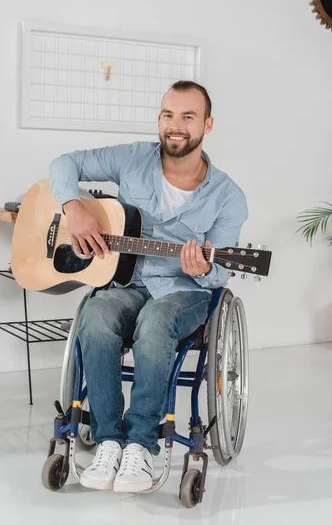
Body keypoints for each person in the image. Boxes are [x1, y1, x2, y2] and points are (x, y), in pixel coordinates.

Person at [49, 80, 248, 493]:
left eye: (187, 117)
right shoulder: (132, 158)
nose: (175, 126)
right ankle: (107, 439)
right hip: (129, 280)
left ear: (207, 125)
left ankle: (141, 445)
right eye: (168, 115)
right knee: (97, 314)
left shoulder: (228, 197)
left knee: (156, 322)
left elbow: (218, 275)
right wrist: (75, 208)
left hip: (186, 292)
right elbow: (63, 163)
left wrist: (199, 267)